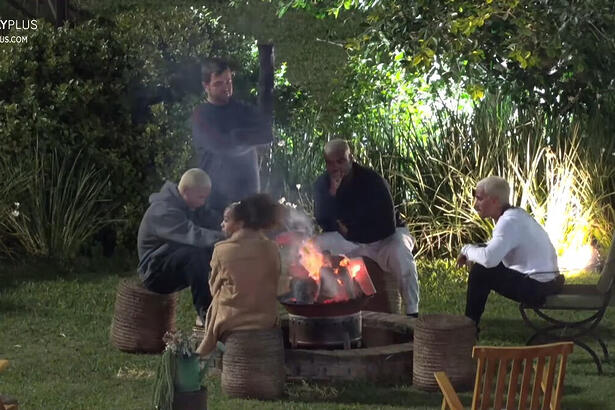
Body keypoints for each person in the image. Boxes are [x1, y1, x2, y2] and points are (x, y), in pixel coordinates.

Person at [312, 139, 420, 317]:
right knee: (315, 245)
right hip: (351, 239)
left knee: (402, 256)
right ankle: (325, 304)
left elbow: (387, 225)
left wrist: (351, 231)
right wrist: (334, 194)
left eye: (341, 161)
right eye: (330, 163)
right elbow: (324, 221)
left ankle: (412, 313)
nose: (335, 167)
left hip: (385, 238)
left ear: (351, 158)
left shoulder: (373, 181)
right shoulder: (323, 184)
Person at [457, 176, 565, 326]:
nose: (475, 204)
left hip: (539, 288)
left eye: (479, 199)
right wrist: (473, 250)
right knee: (483, 262)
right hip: (547, 281)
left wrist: (466, 249)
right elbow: (492, 247)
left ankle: (468, 326)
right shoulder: (515, 215)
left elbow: (489, 259)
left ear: (494, 200)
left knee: (481, 271)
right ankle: (470, 323)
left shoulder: (508, 222)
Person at [196, 193, 282, 357]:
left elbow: (214, 289)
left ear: (240, 223)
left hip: (231, 320)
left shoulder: (221, 250)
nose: (222, 224)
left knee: (219, 297)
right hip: (266, 318)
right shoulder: (272, 248)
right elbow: (277, 281)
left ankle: (205, 349)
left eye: (227, 220)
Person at [191, 57, 273, 222]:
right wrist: (247, 136)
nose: (226, 88)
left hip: (250, 199)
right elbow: (223, 146)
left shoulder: (243, 109)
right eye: (219, 83)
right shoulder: (202, 116)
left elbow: (266, 134)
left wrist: (235, 136)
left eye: (228, 81)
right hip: (217, 203)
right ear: (206, 86)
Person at [137, 168, 224, 323]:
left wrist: (235, 225)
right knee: (196, 255)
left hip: (172, 260)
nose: (203, 202)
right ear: (186, 191)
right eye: (201, 197)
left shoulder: (191, 205)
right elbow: (194, 234)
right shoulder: (162, 211)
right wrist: (227, 237)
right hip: (154, 273)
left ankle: (227, 307)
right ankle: (207, 315)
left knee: (218, 251)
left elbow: (211, 220)